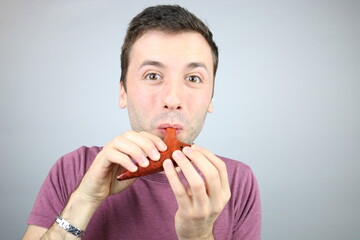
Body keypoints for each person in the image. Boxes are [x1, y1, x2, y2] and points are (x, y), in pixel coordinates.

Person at [23, 5, 261, 240]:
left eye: (193, 78)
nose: (172, 99)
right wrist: (85, 199)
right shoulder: (74, 169)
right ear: (123, 92)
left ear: (211, 97)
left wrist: (198, 236)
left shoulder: (237, 181)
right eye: (153, 76)